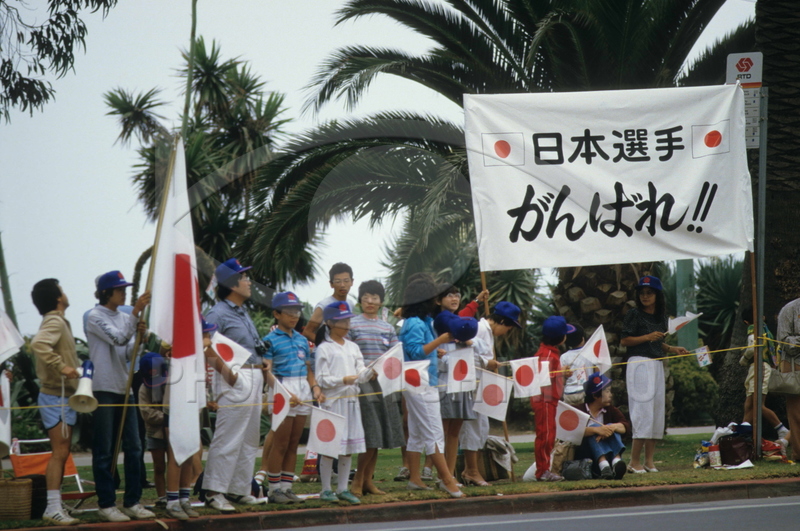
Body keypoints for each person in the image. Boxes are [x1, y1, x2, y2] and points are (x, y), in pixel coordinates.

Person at [85, 270, 154, 522]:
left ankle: (132, 501)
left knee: (134, 447)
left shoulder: (124, 317)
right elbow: (117, 339)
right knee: (104, 449)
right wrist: (135, 314)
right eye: (119, 289)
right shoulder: (94, 316)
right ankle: (106, 503)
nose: (124, 293)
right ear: (106, 293)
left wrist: (141, 338)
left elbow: (127, 353)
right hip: (103, 388)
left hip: (125, 388)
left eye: (124, 289)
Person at [202, 259, 264, 511]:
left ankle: (239, 489)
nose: (249, 281)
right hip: (236, 377)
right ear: (232, 284)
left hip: (254, 375)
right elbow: (206, 347)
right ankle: (213, 491)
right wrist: (229, 375)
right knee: (228, 437)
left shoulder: (241, 310)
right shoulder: (217, 313)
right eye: (244, 277)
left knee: (249, 439)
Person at [398, 276, 463, 498]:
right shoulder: (415, 323)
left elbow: (420, 349)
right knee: (434, 432)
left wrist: (435, 349)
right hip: (421, 382)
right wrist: (439, 341)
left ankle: (415, 479)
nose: (436, 300)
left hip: (423, 380)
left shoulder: (422, 321)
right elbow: (415, 352)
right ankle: (447, 480)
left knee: (417, 432)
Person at [620, 275, 688, 473]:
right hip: (639, 364)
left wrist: (672, 348)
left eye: (649, 293)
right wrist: (647, 337)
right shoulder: (634, 314)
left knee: (656, 411)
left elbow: (658, 342)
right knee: (642, 410)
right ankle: (634, 461)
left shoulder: (661, 317)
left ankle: (649, 461)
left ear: (657, 295)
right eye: (642, 293)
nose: (645, 296)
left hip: (657, 364)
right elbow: (625, 340)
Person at [263, 291, 323, 504]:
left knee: (293, 443)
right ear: (276, 314)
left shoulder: (301, 339)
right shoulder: (269, 340)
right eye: (289, 312)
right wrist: (284, 393)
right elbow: (267, 372)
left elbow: (308, 369)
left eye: (296, 312)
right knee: (280, 443)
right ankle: (274, 490)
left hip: (303, 390)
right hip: (282, 389)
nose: (294, 316)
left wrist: (314, 387)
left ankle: (287, 488)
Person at [30, 278, 81, 526]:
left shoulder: (58, 320)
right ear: (58, 298)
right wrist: (61, 366)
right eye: (62, 290)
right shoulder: (54, 320)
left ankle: (55, 504)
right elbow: (38, 343)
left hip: (62, 396)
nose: (65, 293)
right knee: (60, 452)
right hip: (55, 396)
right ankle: (52, 507)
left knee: (62, 451)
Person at [348, 281, 404, 496]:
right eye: (366, 298)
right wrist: (365, 371)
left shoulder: (387, 327)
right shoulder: (352, 324)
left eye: (374, 298)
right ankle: (357, 481)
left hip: (385, 385)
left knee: (378, 435)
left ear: (381, 302)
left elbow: (395, 356)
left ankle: (367, 481)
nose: (370, 301)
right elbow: (348, 355)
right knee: (370, 434)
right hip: (363, 385)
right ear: (360, 300)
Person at [314, 301, 369, 504]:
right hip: (333, 402)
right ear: (329, 323)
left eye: (348, 321)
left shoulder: (353, 347)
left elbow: (361, 371)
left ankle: (343, 488)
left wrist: (370, 372)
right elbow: (321, 379)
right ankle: (326, 489)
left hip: (352, 400)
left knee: (348, 446)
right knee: (330, 446)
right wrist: (343, 380)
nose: (346, 325)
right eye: (342, 321)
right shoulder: (324, 348)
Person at [459, 301, 516, 485]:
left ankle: (470, 469)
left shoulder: (487, 332)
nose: (506, 332)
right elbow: (466, 355)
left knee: (481, 427)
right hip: (470, 384)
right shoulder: (478, 329)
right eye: (508, 328)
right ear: (502, 322)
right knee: (472, 426)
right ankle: (471, 471)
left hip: (480, 384)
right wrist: (487, 363)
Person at [530, 315, 573, 482]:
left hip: (549, 400)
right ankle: (542, 471)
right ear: (560, 337)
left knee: (549, 434)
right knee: (545, 436)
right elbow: (543, 377)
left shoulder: (550, 352)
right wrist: (560, 373)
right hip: (544, 400)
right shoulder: (547, 354)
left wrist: (562, 372)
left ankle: (545, 468)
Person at [739, 307, 789, 442]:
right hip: (759, 367)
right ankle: (742, 435)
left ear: (746, 322)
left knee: (757, 404)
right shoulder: (765, 329)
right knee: (749, 405)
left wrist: (744, 359)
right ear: (763, 317)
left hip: (759, 367)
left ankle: (781, 429)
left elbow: (751, 348)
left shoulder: (753, 329)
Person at [576, 372, 630, 480]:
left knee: (611, 425)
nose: (611, 395)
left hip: (609, 453)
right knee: (594, 428)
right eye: (607, 391)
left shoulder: (610, 410)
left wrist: (611, 428)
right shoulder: (579, 410)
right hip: (588, 457)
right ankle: (603, 465)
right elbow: (574, 431)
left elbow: (625, 427)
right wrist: (597, 430)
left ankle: (616, 463)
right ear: (595, 395)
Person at [776, 297, 800, 460]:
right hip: (794, 365)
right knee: (796, 413)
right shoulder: (790, 309)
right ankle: (798, 452)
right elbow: (784, 340)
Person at [304, 263, 354, 342]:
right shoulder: (324, 305)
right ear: (331, 284)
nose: (342, 285)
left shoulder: (350, 303)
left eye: (346, 281)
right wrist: (326, 345)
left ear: (352, 282)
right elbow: (307, 332)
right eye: (338, 281)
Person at [560, 324, 593, 406]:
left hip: (569, 393)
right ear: (582, 338)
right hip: (586, 392)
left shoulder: (563, 357)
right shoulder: (590, 353)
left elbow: (562, 379)